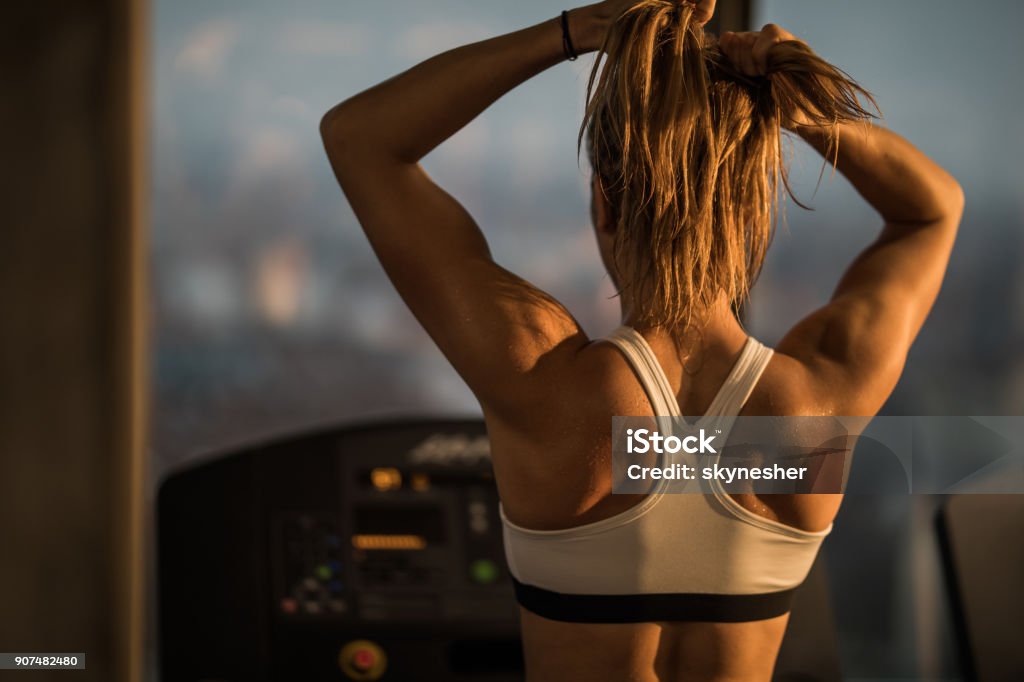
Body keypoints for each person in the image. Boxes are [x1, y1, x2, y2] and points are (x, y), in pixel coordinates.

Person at [320, 0, 962, 679]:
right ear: (751, 213)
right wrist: (804, 110)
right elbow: (932, 209)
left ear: (604, 201)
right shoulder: (815, 405)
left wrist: (574, 33)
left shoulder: (543, 381)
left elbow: (361, 138)